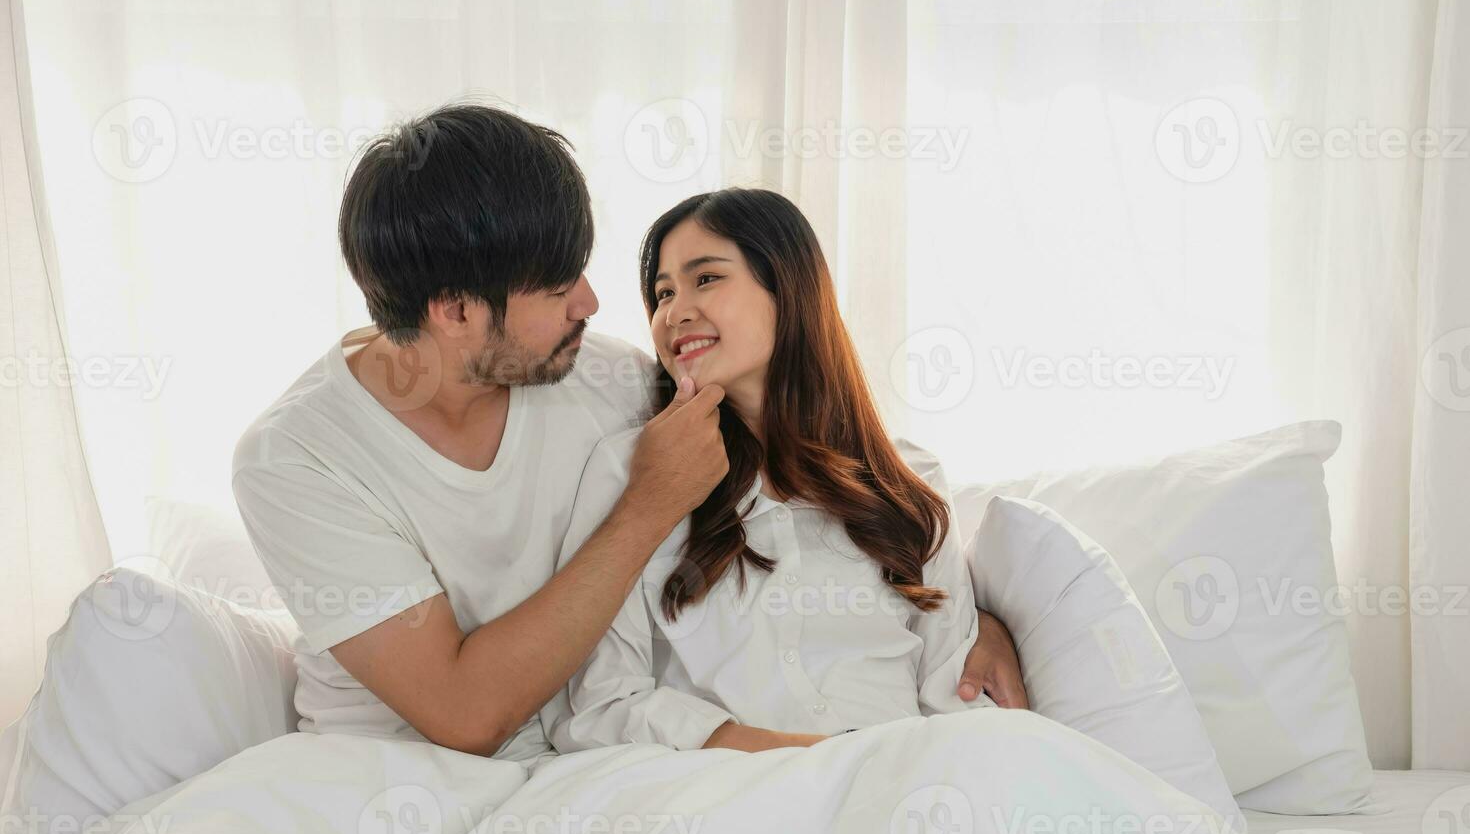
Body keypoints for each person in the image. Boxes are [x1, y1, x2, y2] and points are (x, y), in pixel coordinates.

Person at [232, 103, 1023, 769]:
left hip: (594, 779)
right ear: (456, 310)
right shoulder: (296, 459)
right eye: (556, 285)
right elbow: (467, 718)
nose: (592, 303)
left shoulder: (604, 379)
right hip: (403, 778)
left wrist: (968, 617)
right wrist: (649, 502)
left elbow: (811, 464)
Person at [545, 188, 1006, 754]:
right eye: (663, 293)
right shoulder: (629, 470)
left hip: (904, 796)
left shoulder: (911, 479)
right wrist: (794, 755)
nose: (675, 312)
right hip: (735, 796)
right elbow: (600, 704)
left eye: (706, 279)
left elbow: (949, 689)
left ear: (789, 288)